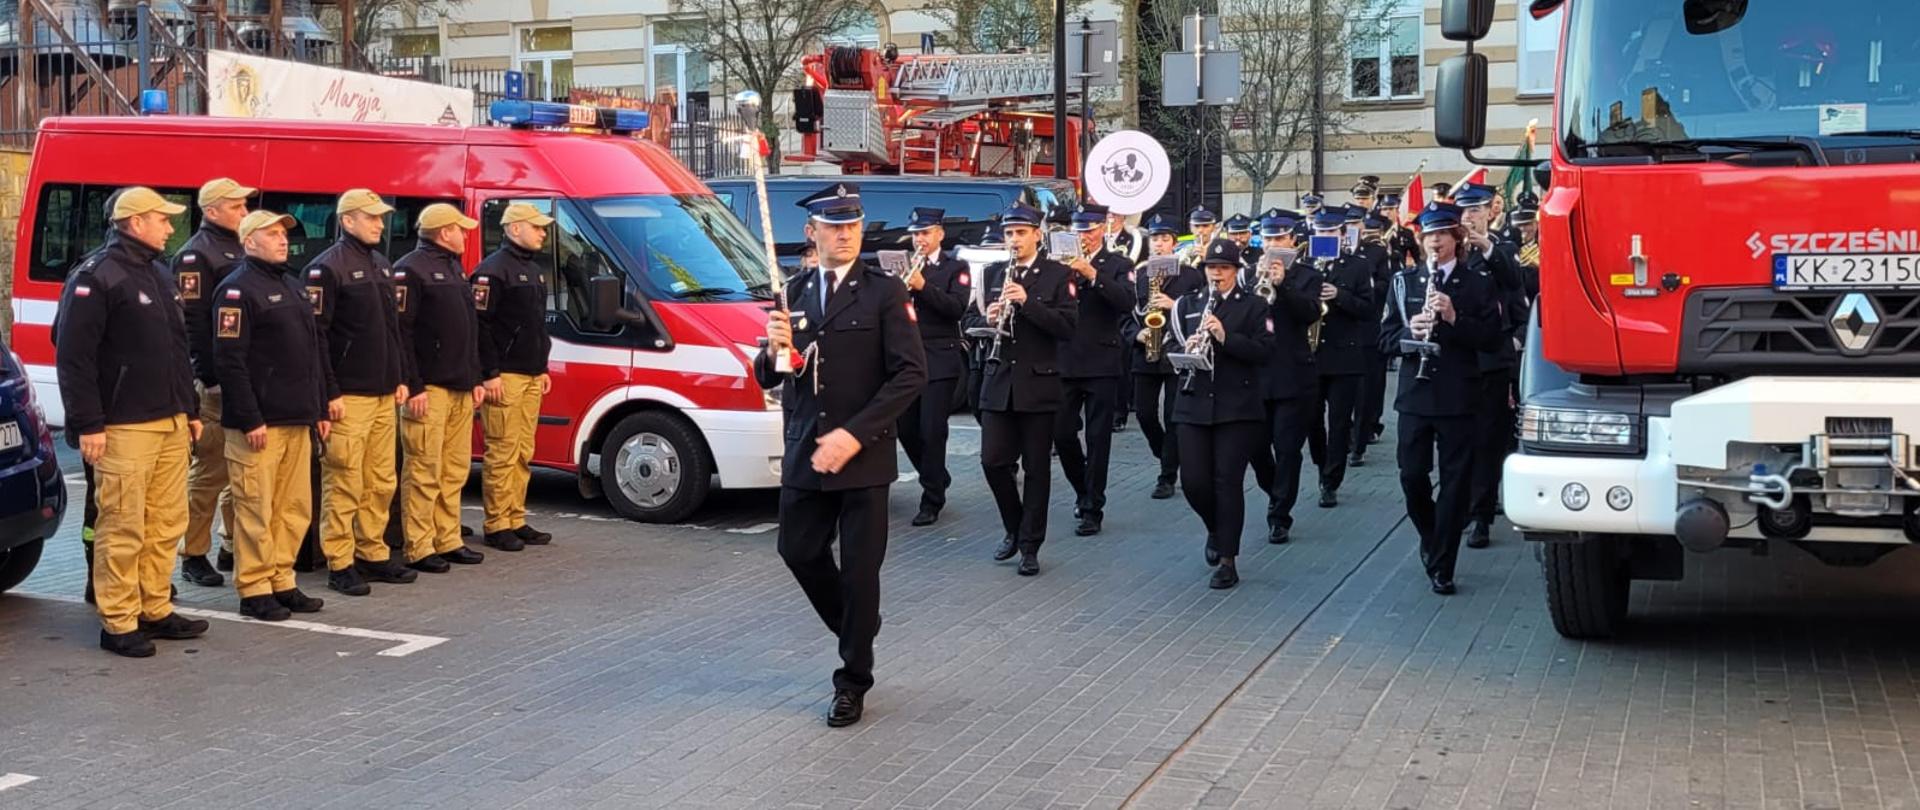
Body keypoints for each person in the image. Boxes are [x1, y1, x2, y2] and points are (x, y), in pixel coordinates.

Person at [755, 182, 926, 728]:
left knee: (859, 573)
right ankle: (859, 625)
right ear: (813, 232)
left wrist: (855, 435)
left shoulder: (884, 292)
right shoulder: (793, 292)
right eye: (834, 226)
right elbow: (771, 376)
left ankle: (852, 679)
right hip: (807, 448)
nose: (846, 234)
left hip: (863, 457)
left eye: (852, 224)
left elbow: (910, 375)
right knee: (797, 550)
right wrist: (773, 348)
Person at [56, 187, 207, 657]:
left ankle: (153, 607)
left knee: (165, 522)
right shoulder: (97, 275)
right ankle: (119, 620)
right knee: (123, 525)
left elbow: (177, 351)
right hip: (123, 425)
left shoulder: (159, 273)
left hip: (169, 420)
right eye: (163, 219)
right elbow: (74, 356)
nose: (170, 227)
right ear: (135, 222)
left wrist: (190, 410)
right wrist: (88, 423)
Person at [212, 209, 332, 621]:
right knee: (256, 509)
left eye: (284, 233)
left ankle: (282, 579)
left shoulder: (293, 286)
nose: (283, 239)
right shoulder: (236, 291)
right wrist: (250, 418)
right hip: (259, 423)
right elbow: (229, 361)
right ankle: (254, 587)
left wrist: (319, 408)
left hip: (296, 419)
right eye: (272, 233)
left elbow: (313, 354)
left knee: (293, 508)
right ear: (249, 242)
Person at [1380, 202, 1502, 595]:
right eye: (1430, 235)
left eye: (1443, 235)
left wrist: (1453, 318)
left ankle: (1443, 564)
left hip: (1458, 395)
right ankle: (1432, 536)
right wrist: (1409, 335)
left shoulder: (1477, 283)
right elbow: (1384, 339)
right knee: (1411, 476)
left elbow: (1491, 339)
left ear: (1457, 239)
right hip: (1414, 397)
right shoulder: (1403, 282)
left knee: (1455, 483)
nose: (1435, 242)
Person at [307, 190, 419, 596]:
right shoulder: (326, 268)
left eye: (380, 218)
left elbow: (393, 331)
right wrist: (329, 392)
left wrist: (400, 376)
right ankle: (340, 560)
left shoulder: (381, 264)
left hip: (383, 392)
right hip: (349, 396)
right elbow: (316, 337)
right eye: (371, 217)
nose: (379, 224)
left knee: (381, 480)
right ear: (347, 220)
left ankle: (372, 551)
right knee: (344, 480)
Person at [1165, 239, 1274, 589]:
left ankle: (1228, 559)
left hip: (1236, 407)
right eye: (1212, 268)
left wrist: (1226, 338)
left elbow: (1265, 351)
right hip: (1193, 403)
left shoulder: (1255, 306)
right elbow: (1169, 343)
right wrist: (1186, 349)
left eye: (1224, 268)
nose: (1217, 274)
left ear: (1236, 271)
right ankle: (1215, 527)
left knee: (1227, 482)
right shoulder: (1187, 304)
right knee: (1193, 482)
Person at [978, 203, 1077, 576]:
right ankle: (1014, 526)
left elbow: (1067, 327)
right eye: (1009, 233)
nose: (1014, 240)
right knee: (992, 461)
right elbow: (970, 318)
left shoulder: (1058, 275)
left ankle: (1030, 545)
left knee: (1037, 469)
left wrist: (1027, 302)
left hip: (1038, 382)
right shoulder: (992, 273)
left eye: (1021, 233)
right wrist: (987, 318)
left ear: (1037, 234)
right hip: (999, 380)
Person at [396, 204, 488, 573]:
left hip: (460, 386)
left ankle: (447, 538)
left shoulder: (454, 267)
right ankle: (419, 546)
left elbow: (469, 330)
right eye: (460, 229)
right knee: (424, 469)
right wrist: (413, 385)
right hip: (429, 388)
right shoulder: (410, 270)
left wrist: (475, 377)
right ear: (443, 232)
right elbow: (401, 333)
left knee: (454, 469)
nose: (466, 235)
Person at [175, 177, 255, 588]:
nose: (245, 212)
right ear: (212, 211)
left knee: (240, 470)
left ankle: (229, 544)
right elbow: (194, 324)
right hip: (216, 385)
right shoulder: (196, 255)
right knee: (209, 472)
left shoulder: (241, 247)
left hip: (243, 381)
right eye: (237, 206)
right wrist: (209, 378)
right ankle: (193, 552)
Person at [474, 202, 557, 553]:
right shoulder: (492, 271)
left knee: (523, 451)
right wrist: (490, 373)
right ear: (514, 228)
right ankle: (496, 524)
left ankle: (515, 517)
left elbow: (535, 326)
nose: (542, 233)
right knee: (502, 451)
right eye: (536, 227)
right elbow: (480, 326)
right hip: (505, 375)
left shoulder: (533, 270)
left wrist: (542, 367)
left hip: (530, 373)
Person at [1053, 203, 1134, 536]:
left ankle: (1092, 508)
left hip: (1101, 361)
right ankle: (1082, 489)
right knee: (1061, 432)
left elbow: (1126, 301)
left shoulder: (1118, 264)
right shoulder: (1058, 264)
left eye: (1088, 229)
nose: (1083, 236)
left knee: (1098, 438)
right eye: (1078, 230)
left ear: (1103, 228)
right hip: (1065, 359)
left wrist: (1092, 274)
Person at [1455, 184, 1526, 549]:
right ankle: (1462, 505)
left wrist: (1485, 246)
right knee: (1459, 440)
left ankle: (1481, 516)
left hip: (1491, 361)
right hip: (1456, 359)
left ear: (1489, 212)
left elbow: (1515, 288)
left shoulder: (1503, 249)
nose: (1468, 217)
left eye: (1475, 210)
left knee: (1487, 440)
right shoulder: (1451, 250)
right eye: (1464, 211)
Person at [894, 207, 970, 527]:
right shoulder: (905, 265)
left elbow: (956, 308)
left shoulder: (955, 267)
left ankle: (932, 498)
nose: (919, 240)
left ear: (940, 233)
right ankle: (936, 475)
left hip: (940, 357)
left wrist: (923, 286)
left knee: (932, 430)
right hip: (908, 359)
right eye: (915, 234)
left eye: (925, 233)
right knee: (905, 428)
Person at [1251, 211, 1323, 545]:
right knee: (1256, 449)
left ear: (1292, 240)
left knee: (1288, 449)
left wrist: (1284, 285)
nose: (1273, 245)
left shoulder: (1308, 275)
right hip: (1257, 376)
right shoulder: (1248, 272)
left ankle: (1279, 515)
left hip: (1293, 375)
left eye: (1279, 238)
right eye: (1268, 238)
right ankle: (1276, 492)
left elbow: (1310, 313)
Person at [1305, 206, 1374, 508]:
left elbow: (1368, 309)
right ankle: (1322, 465)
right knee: (1311, 420)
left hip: (1344, 356)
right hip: (1311, 355)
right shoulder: (1305, 264)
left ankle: (1331, 480)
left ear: (1342, 234)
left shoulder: (1357, 266)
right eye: (1320, 231)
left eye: (1331, 231)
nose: (1325, 235)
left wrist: (1340, 295)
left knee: (1339, 422)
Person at [1129, 213, 1198, 501]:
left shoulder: (1190, 275)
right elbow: (1126, 313)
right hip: (1146, 350)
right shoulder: (1139, 274)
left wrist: (1174, 304)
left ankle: (1167, 476)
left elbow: (1198, 311)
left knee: (1172, 415)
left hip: (1174, 351)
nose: (1158, 244)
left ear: (1174, 243)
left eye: (1164, 239)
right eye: (1155, 239)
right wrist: (1136, 334)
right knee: (1144, 414)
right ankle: (1167, 454)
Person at [1349, 211, 1396, 469]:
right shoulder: (1326, 255)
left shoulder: (1375, 252)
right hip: (1335, 336)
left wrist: (1363, 283)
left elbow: (1384, 285)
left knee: (1365, 391)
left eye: (1355, 223)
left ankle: (1360, 441)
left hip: (1367, 329)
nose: (1350, 228)